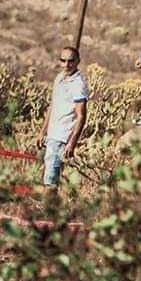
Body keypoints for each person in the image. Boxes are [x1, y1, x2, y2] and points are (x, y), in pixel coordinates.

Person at [37, 46, 89, 187]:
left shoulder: (78, 85)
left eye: (71, 61)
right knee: (46, 178)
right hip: (51, 135)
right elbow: (52, 105)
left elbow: (81, 116)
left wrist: (72, 143)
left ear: (78, 61)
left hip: (62, 137)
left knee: (50, 182)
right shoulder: (59, 78)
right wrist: (43, 132)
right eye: (63, 60)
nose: (67, 65)